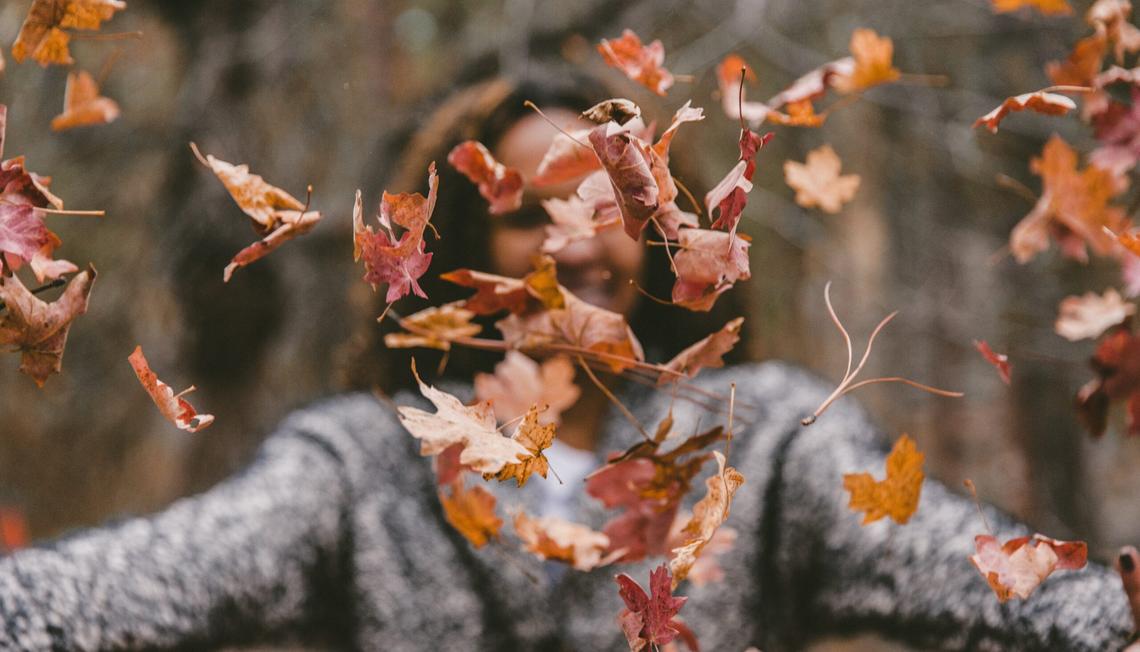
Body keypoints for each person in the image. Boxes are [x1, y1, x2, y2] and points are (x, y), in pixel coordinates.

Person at [0, 66, 1137, 652]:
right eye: (526, 213)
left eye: (606, 201)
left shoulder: (761, 443)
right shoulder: (364, 466)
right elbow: (138, 581)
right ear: (458, 253)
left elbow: (992, 578)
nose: (573, 239)